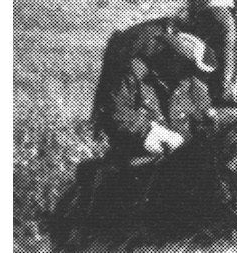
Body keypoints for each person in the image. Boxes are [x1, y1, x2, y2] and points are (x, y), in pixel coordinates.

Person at [90, 21, 215, 161]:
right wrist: (147, 132)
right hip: (139, 158)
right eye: (178, 59)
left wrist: (186, 138)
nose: (187, 74)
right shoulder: (136, 72)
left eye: (190, 68)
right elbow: (116, 114)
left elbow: (204, 120)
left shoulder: (193, 84)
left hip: (182, 160)